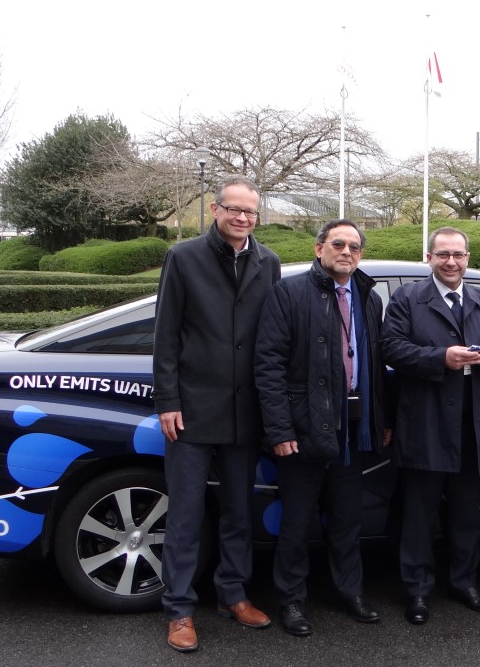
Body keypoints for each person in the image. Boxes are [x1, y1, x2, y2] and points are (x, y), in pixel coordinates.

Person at [153, 175, 282, 652]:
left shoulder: (269, 262)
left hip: (245, 413)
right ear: (215, 210)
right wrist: (167, 400)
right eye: (235, 209)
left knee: (238, 513)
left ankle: (233, 593)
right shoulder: (183, 257)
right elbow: (166, 335)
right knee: (186, 515)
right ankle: (179, 609)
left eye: (251, 211)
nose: (243, 218)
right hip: (190, 412)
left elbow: (273, 336)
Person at [254, 219, 387, 637]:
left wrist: (379, 422)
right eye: (338, 244)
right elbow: (269, 366)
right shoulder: (289, 293)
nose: (346, 252)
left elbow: (376, 367)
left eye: (354, 246)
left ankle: (350, 591)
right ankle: (291, 599)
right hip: (304, 428)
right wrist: (280, 431)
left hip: (352, 430)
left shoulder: (369, 297)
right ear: (319, 249)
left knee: (347, 520)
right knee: (297, 522)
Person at [381, 227, 480, 625]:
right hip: (424, 422)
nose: (451, 262)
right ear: (429, 258)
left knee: (466, 513)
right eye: (443, 254)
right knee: (418, 516)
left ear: (468, 258)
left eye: (458, 254)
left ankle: (464, 582)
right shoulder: (407, 299)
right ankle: (417, 590)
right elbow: (391, 348)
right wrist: (441, 357)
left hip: (474, 423)